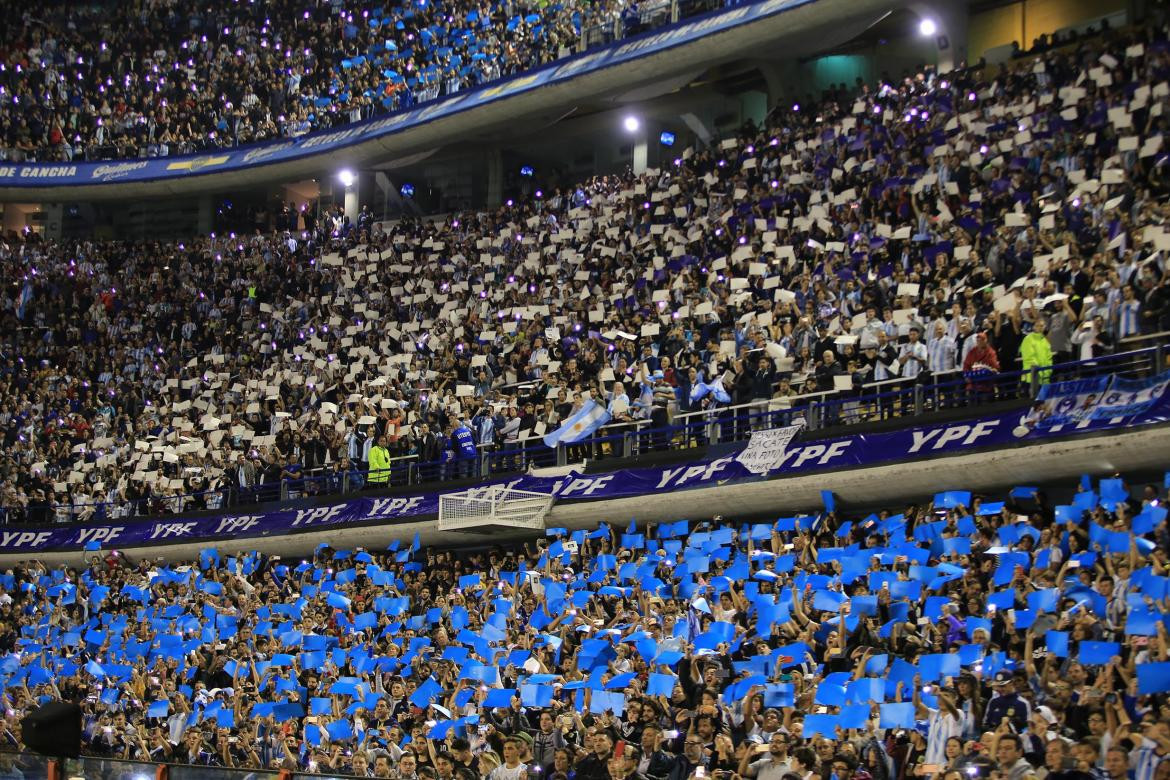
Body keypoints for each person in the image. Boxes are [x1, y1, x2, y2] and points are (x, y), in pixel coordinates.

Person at [1020, 318, 1054, 387]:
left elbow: (1049, 358)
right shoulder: (1028, 339)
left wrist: (1047, 372)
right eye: (1037, 325)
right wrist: (1040, 372)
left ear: (1044, 327)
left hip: (1044, 379)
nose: (1039, 327)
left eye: (1042, 326)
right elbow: (1029, 358)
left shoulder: (1045, 341)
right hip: (1031, 378)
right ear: (1033, 327)